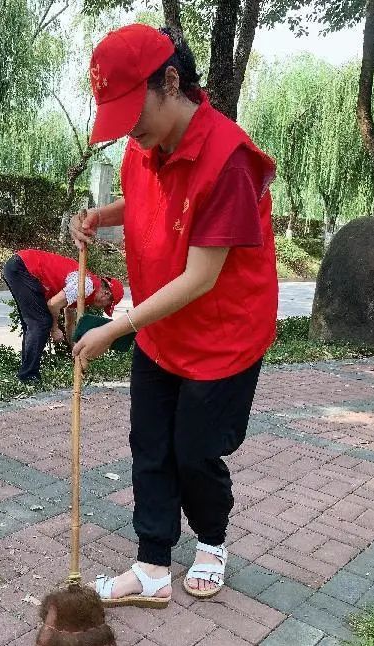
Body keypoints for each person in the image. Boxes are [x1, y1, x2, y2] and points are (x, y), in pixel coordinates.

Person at [69, 24, 278, 606]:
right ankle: (153, 564)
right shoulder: (145, 146)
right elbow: (145, 199)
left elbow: (201, 276)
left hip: (223, 339)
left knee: (194, 452)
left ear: (169, 81)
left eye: (133, 112)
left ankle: (211, 541)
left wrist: (115, 327)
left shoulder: (229, 160)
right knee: (150, 445)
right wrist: (100, 217)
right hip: (163, 331)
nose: (128, 131)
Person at [2, 249, 124, 383]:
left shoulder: (84, 291)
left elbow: (69, 324)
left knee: (33, 323)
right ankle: (28, 376)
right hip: (25, 267)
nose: (102, 308)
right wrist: (54, 329)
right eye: (107, 305)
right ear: (106, 294)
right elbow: (53, 304)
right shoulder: (86, 285)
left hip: (20, 266)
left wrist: (77, 354)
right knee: (41, 322)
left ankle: (26, 372)